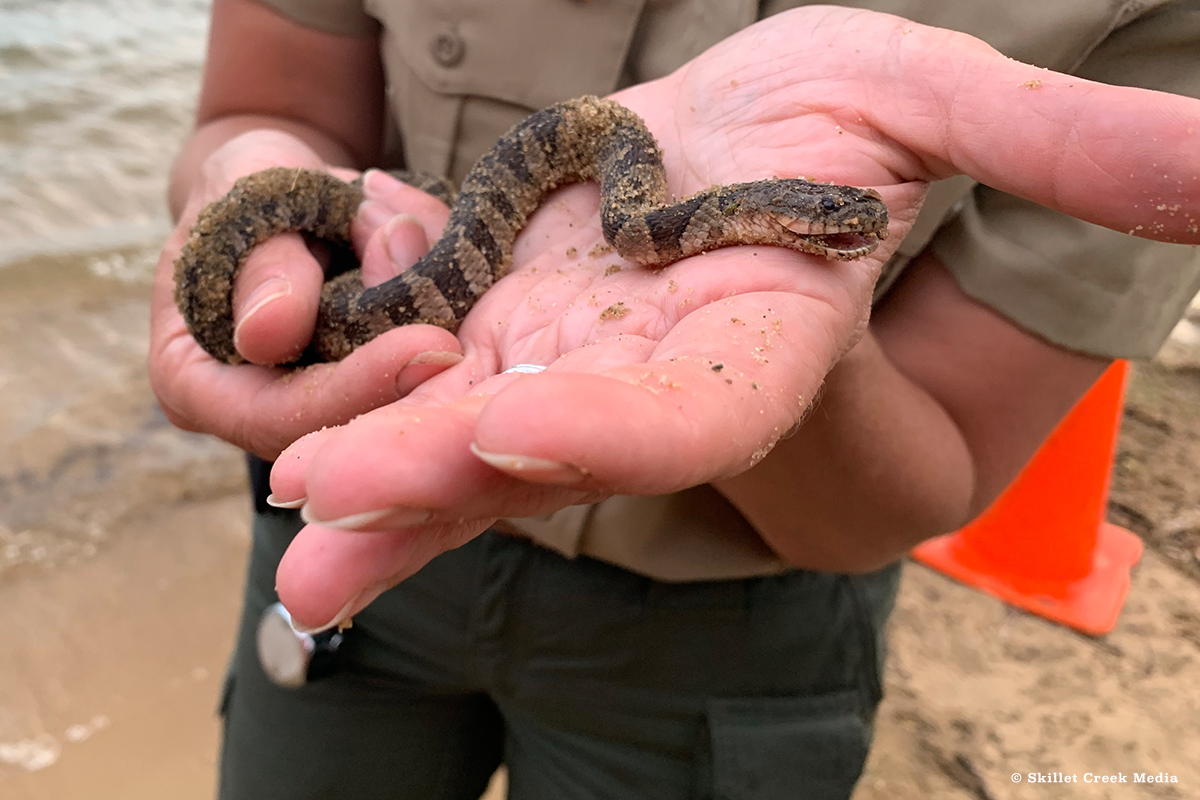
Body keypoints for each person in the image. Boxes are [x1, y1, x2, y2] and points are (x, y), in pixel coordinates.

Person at [149, 0, 1200, 797]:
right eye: (827, 223)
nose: (849, 230)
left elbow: (933, 478)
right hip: (357, 543)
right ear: (765, 218)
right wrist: (248, 176)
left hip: (735, 631)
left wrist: (804, 342)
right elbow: (264, 104)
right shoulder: (647, 190)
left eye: (841, 226)